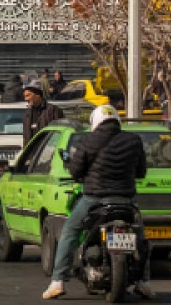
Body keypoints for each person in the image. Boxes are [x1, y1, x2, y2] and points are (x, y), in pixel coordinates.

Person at [44, 105, 148, 300]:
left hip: (94, 199)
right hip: (126, 199)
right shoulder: (134, 140)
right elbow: (141, 171)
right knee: (140, 237)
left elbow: (76, 171)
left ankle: (58, 281)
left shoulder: (88, 140)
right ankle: (144, 282)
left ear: (95, 121)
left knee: (70, 232)